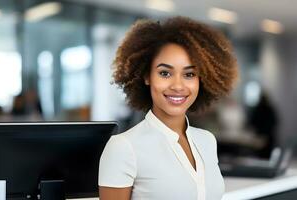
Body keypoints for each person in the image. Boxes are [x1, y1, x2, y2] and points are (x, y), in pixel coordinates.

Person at [98, 16, 238, 200]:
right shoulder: (123, 147)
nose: (178, 86)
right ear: (146, 76)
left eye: (189, 74)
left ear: (201, 79)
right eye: (165, 73)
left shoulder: (207, 141)